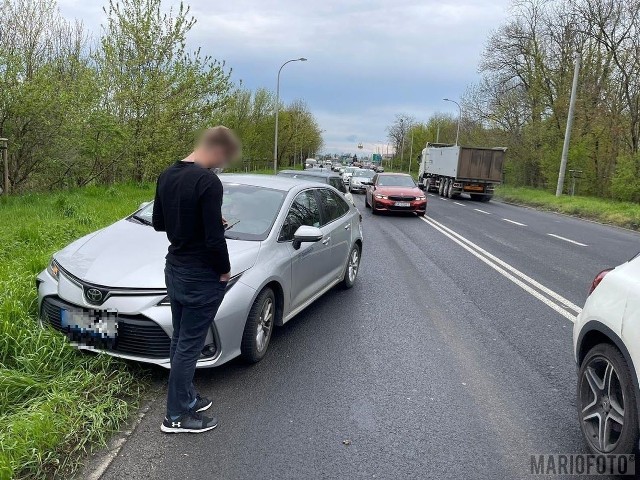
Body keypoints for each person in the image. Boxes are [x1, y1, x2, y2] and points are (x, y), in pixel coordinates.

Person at [152, 126, 240, 434]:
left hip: (174, 268)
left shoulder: (167, 175)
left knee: (181, 339)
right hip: (201, 275)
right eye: (224, 158)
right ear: (216, 149)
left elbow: (159, 223)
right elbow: (215, 241)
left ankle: (187, 398)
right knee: (190, 344)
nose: (221, 164)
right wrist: (225, 270)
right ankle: (176, 417)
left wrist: (205, 221)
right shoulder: (208, 181)